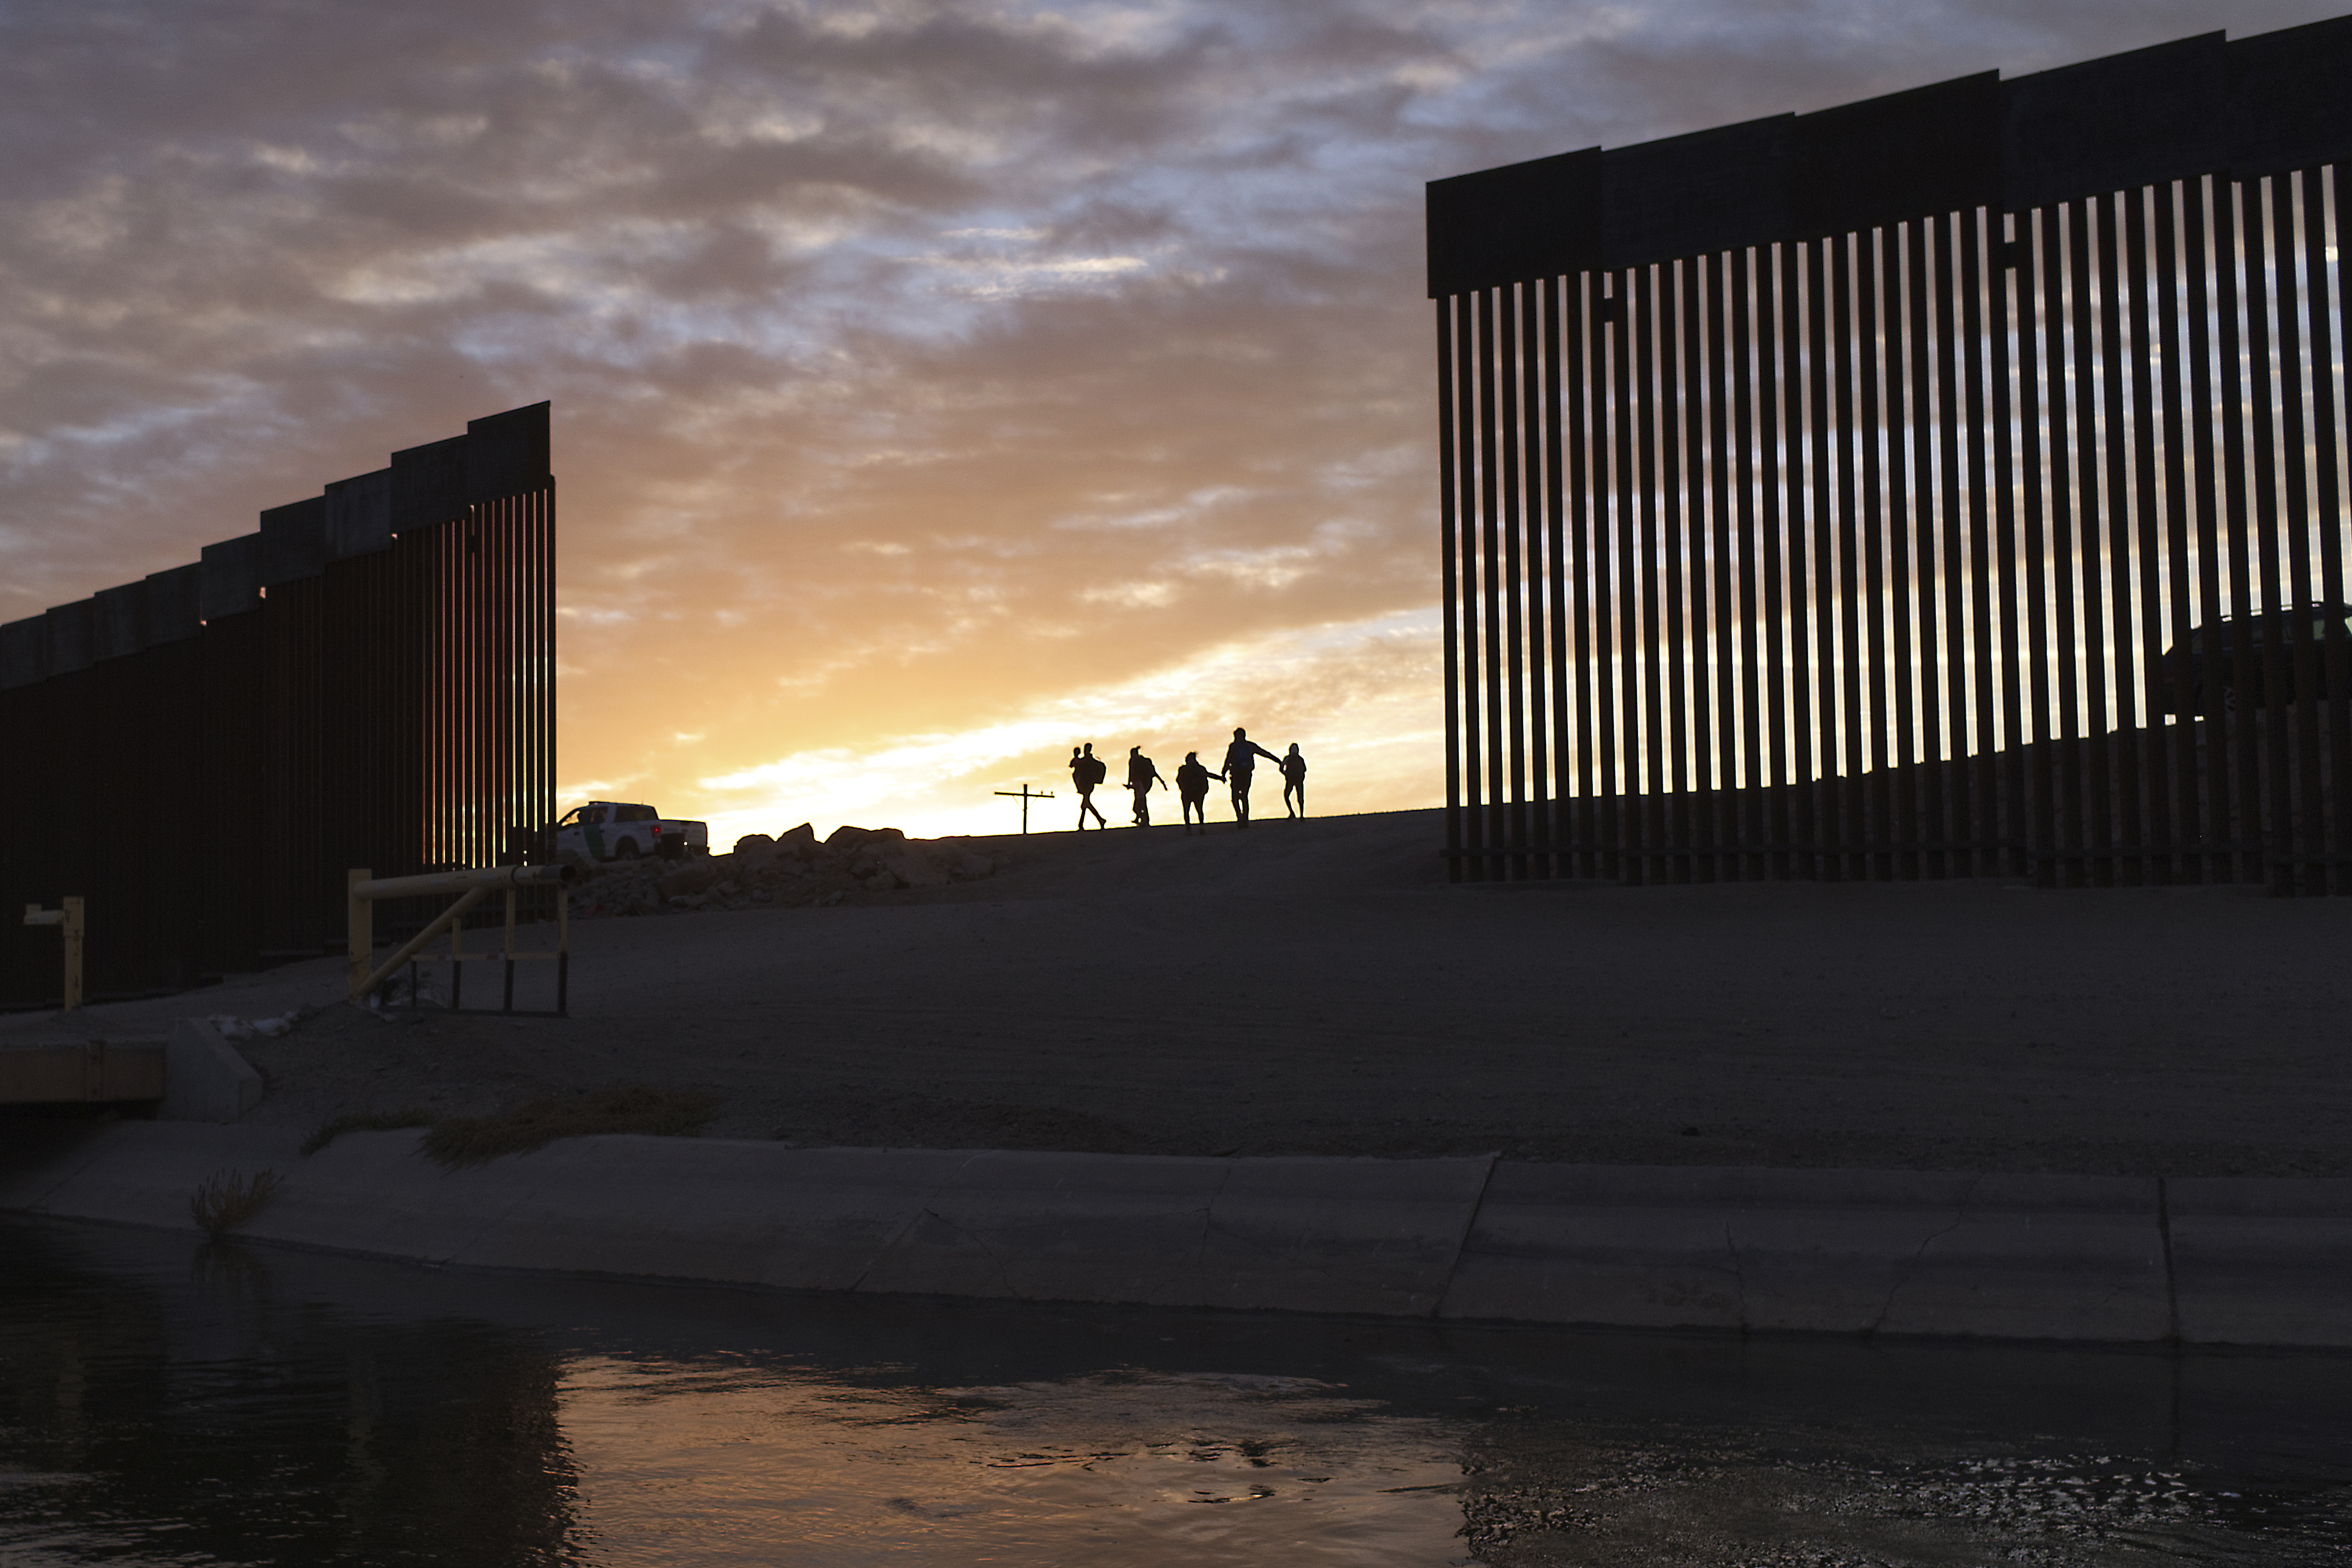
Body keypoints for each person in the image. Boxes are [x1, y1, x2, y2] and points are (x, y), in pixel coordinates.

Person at [1221, 727, 1283, 827]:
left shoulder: (1233, 746)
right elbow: (1264, 753)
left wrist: (1223, 773)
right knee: (1244, 796)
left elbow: (1228, 760)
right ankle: (1245, 818)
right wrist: (1277, 760)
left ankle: (1239, 817)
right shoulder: (1250, 746)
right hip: (1247, 774)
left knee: (1235, 797)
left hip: (1236, 774)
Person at [1175, 751, 1222, 835]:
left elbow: (1178, 780)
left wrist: (1182, 788)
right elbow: (1209, 775)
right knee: (1198, 810)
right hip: (1197, 793)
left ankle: (1190, 829)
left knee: (1187, 811)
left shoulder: (1184, 769)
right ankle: (1200, 827)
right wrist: (1220, 778)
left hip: (1188, 793)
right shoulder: (1200, 768)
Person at [1126, 745, 1166, 827]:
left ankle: (1143, 819)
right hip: (1145, 783)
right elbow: (1154, 772)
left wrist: (1129, 784)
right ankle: (1142, 819)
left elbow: (1130, 773)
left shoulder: (1135, 761)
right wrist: (1162, 783)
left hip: (1140, 784)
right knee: (1142, 801)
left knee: (1139, 803)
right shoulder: (1141, 761)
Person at [1071, 743, 1108, 830]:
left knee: (1085, 804)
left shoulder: (1089, 760)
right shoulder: (1087, 760)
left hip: (1088, 785)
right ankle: (1099, 820)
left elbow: (1076, 764)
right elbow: (1074, 764)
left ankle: (1099, 820)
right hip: (1085, 784)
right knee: (1085, 804)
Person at [1280, 743, 1308, 818]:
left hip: (1295, 780)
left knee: (1298, 797)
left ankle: (1299, 814)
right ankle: (1296, 814)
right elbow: (1304, 769)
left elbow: (1304, 769)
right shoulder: (1295, 759)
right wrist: (1286, 775)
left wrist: (1286, 774)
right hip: (1293, 780)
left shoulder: (1297, 759)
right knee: (1292, 796)